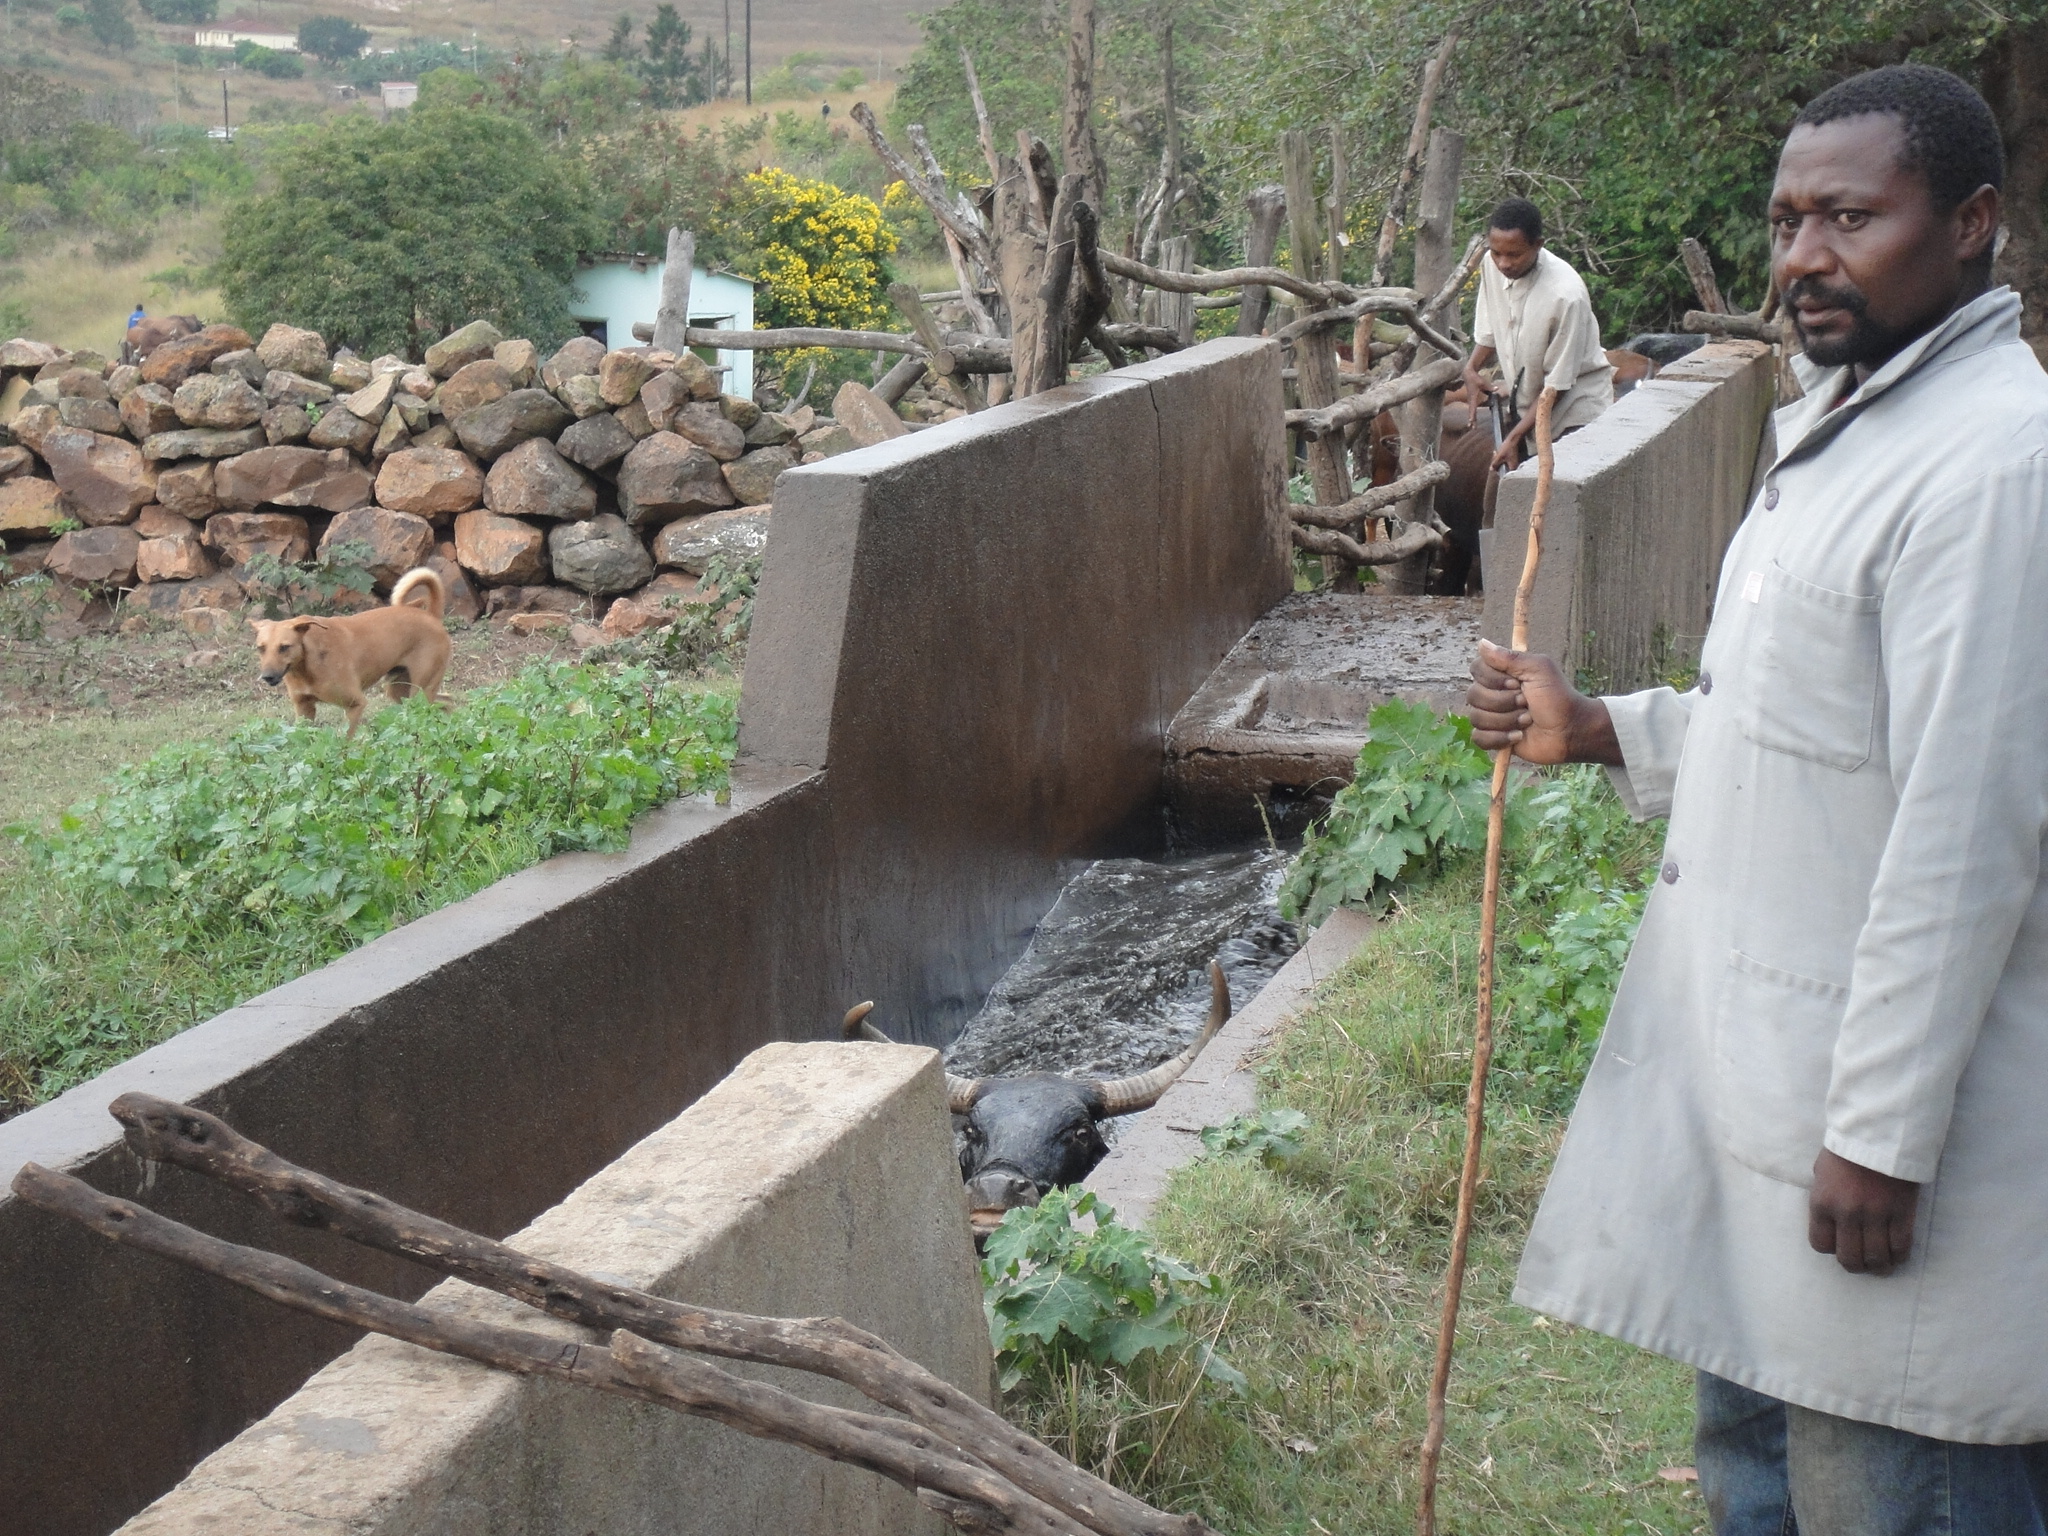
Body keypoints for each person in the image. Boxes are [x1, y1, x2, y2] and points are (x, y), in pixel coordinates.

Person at [1467, 63, 2048, 1533]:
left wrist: (1882, 1138)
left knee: (1896, 1487)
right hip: (1772, 1098)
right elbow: (1807, 725)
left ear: (1973, 222)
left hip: (1877, 1140)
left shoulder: (1997, 467)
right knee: (1767, 1476)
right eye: (1788, 222)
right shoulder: (1853, 423)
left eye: (1851, 217)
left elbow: (1967, 835)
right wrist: (1601, 729)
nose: (1803, 259)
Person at [1460, 198, 1613, 469]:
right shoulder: (1490, 265)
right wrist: (1471, 369)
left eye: (1514, 255)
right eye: (1497, 253)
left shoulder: (1566, 296)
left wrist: (1515, 436)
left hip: (1572, 414)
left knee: (1559, 494)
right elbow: (1489, 332)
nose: (1503, 263)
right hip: (1528, 405)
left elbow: (1558, 386)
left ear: (1538, 245)